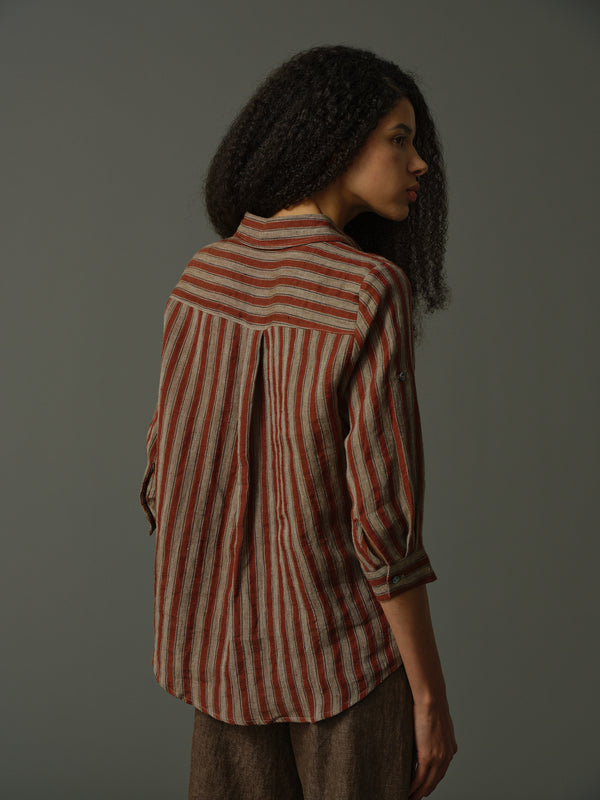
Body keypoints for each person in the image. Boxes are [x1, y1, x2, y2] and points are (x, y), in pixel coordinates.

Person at [140, 44, 458, 800]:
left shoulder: (199, 278)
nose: (421, 166)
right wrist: (429, 696)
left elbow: (162, 484)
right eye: (400, 138)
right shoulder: (367, 290)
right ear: (337, 137)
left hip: (220, 669)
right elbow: (383, 523)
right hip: (342, 666)